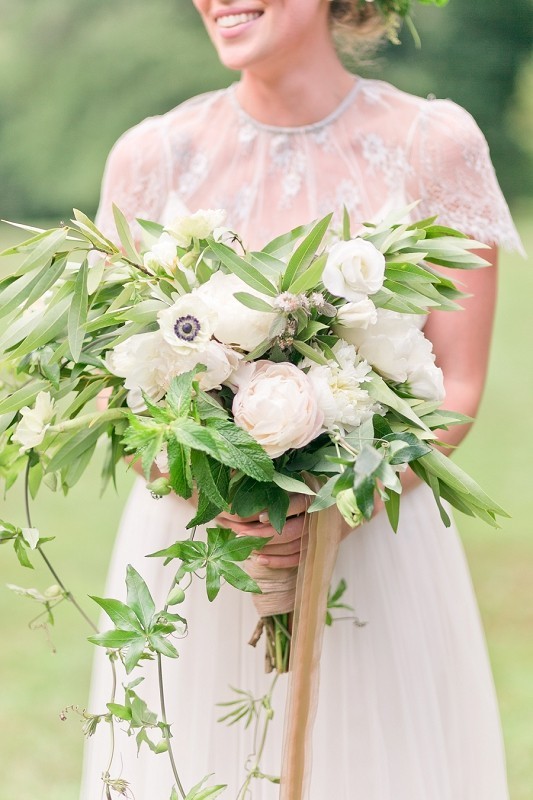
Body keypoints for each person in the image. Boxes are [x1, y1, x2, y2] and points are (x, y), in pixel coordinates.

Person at [80, 2, 523, 798]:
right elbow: (124, 384)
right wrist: (217, 497)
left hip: (375, 542)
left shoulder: (433, 145)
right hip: (202, 550)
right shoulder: (151, 156)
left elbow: (455, 385)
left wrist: (334, 505)